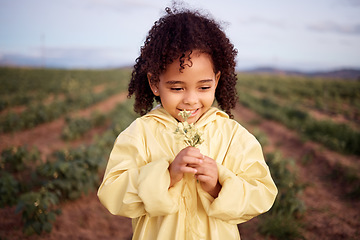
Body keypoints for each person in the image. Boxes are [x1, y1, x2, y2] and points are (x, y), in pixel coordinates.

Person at [98, 7, 277, 240]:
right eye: (177, 88)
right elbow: (112, 193)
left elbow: (262, 193)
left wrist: (218, 185)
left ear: (217, 80)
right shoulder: (140, 133)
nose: (191, 99)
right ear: (154, 83)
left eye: (203, 87)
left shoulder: (233, 136)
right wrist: (166, 176)